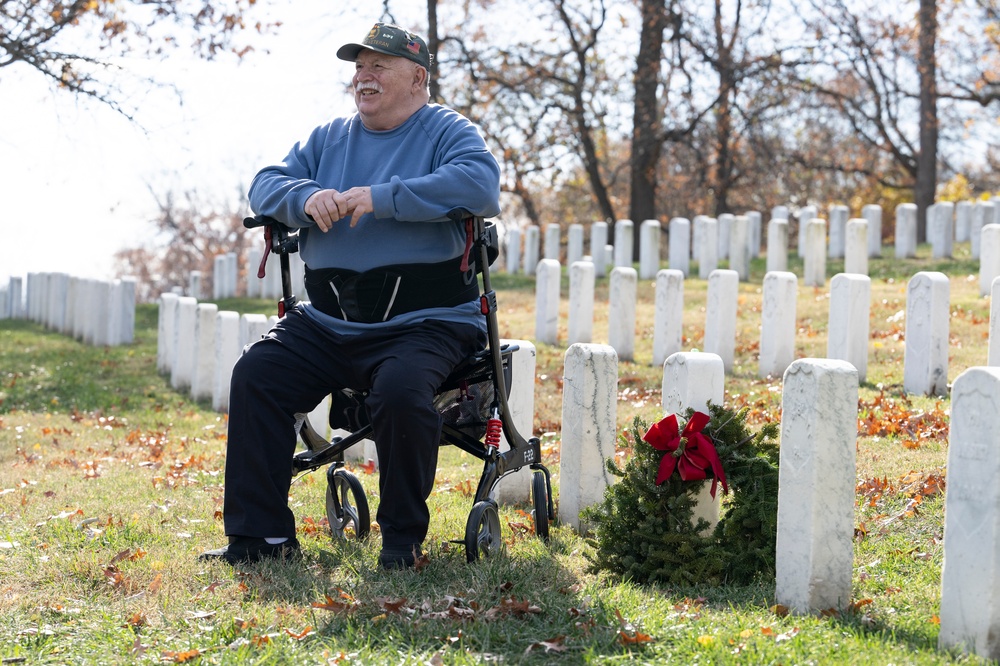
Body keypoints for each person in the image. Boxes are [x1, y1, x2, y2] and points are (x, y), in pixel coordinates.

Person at [200, 22, 501, 569]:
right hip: (331, 321)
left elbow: (479, 186)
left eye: (379, 65)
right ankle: (260, 540)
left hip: (427, 320)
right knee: (257, 375)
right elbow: (267, 182)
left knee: (403, 393)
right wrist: (305, 196)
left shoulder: (448, 131)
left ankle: (401, 541)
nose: (365, 75)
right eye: (359, 66)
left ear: (417, 78)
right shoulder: (328, 138)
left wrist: (383, 198)